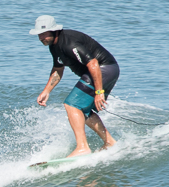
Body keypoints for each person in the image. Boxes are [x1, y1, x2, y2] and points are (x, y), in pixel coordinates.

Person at [31, 15, 119, 157]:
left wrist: (99, 92)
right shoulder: (54, 46)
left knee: (72, 104)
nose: (41, 37)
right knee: (83, 111)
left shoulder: (69, 43)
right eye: (39, 35)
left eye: (44, 34)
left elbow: (93, 63)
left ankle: (82, 147)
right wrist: (46, 91)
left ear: (54, 31)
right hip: (106, 70)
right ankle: (109, 142)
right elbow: (58, 69)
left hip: (104, 69)